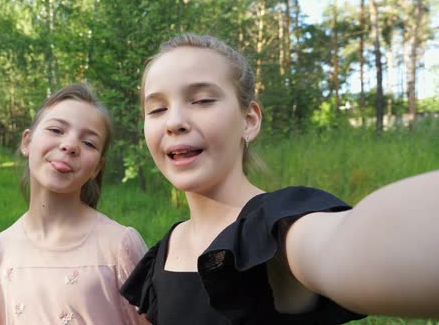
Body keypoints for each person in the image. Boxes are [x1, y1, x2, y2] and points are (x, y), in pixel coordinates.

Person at [120, 34, 439, 324]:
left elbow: (347, 242)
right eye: (157, 109)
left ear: (249, 120)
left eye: (202, 100)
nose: (174, 121)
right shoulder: (162, 252)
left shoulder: (278, 229)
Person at [0, 83, 147, 324]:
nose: (70, 145)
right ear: (27, 142)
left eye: (88, 143)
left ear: (97, 167)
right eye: (56, 130)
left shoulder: (119, 246)